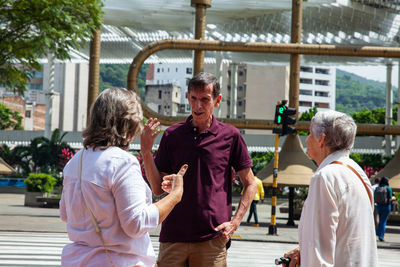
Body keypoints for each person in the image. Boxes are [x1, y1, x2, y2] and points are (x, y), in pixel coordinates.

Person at [60, 87, 187, 267]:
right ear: (129, 123)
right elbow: (137, 223)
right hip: (118, 261)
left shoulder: (75, 162)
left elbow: (66, 214)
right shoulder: (122, 162)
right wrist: (175, 196)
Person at [141, 72, 257, 267]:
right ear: (187, 97)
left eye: (205, 99)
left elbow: (250, 183)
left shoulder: (231, 136)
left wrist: (235, 222)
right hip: (173, 237)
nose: (198, 106)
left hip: (212, 239)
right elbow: (157, 189)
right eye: (193, 99)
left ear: (217, 100)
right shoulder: (172, 135)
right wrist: (145, 151)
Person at [283, 110, 378, 267]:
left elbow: (318, 252)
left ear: (322, 139)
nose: (306, 140)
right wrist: (303, 252)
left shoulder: (325, 177)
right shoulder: (358, 173)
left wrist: (309, 254)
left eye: (309, 134)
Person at [375, 176, 395, 242]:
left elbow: (374, 197)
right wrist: (394, 198)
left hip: (378, 206)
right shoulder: (388, 189)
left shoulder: (377, 188)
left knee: (381, 220)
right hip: (386, 206)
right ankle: (381, 236)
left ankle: (378, 233)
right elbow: (390, 198)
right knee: (383, 221)